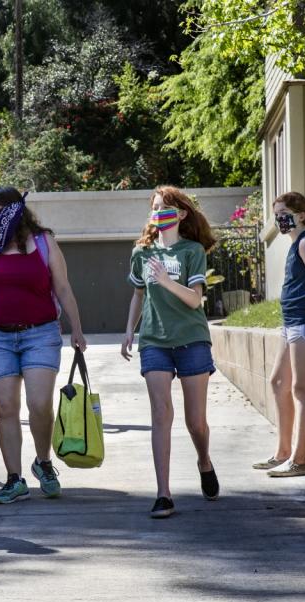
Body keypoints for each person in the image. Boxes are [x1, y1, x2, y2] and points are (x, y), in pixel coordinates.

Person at [0, 187, 87, 504]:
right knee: (6, 409)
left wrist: (77, 329)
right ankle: (14, 478)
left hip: (40, 335)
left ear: (12, 211)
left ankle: (43, 462)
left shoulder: (44, 242)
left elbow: (62, 286)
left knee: (39, 405)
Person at [121, 186, 221, 518]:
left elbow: (195, 300)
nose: (157, 212)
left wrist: (165, 280)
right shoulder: (142, 253)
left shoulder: (192, 251)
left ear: (180, 214)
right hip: (155, 342)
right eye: (154, 207)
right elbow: (138, 295)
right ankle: (163, 494)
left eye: (163, 207)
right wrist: (129, 331)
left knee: (196, 422)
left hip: (192, 339)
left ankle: (204, 461)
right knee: (161, 415)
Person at [253, 192, 305, 478]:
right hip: (292, 323)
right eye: (276, 214)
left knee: (301, 388)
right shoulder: (296, 243)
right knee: (278, 382)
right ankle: (283, 452)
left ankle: (300, 461)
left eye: (284, 212)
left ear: (301, 215)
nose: (279, 218)